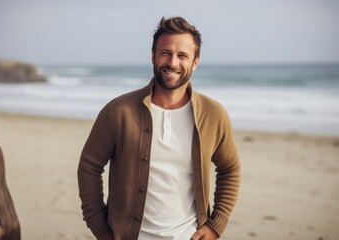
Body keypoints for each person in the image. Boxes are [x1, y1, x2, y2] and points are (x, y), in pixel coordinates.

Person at [78, 16, 241, 240]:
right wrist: (101, 229)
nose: (172, 62)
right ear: (153, 55)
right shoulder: (119, 111)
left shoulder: (214, 114)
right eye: (166, 53)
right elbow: (89, 165)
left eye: (182, 55)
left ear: (195, 61)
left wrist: (216, 225)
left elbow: (230, 168)